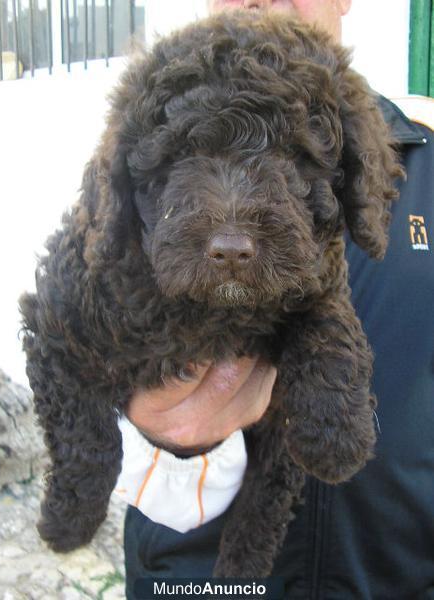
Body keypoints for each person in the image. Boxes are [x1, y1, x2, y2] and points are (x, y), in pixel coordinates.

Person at [119, 1, 434, 598]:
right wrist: (140, 417)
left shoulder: (427, 149)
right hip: (195, 581)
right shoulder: (143, 145)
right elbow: (82, 339)